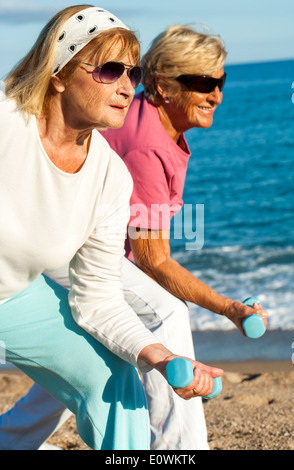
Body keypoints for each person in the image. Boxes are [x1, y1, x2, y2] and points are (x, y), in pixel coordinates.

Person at [0, 7, 224, 451]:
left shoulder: (111, 175)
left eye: (133, 72)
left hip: (14, 296)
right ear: (59, 73)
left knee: (112, 375)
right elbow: (152, 259)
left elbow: (98, 299)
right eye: (109, 69)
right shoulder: (8, 123)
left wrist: (160, 357)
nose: (126, 86)